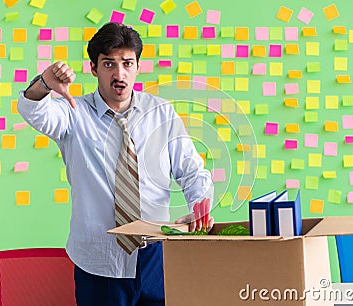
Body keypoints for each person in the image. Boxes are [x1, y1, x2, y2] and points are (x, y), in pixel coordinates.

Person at [17, 22, 214, 306]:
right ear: (94, 68)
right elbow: (33, 111)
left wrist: (199, 205)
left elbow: (192, 171)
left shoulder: (161, 113)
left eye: (127, 63)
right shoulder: (73, 113)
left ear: (137, 66)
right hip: (99, 261)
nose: (119, 74)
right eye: (109, 63)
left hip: (157, 258)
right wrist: (45, 83)